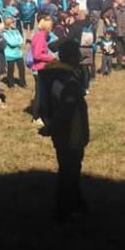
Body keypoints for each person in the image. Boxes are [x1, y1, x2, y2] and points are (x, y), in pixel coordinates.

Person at [37, 39, 90, 221]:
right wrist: (53, 126)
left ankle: (75, 202)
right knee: (70, 170)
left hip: (59, 131)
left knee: (67, 167)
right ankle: (65, 209)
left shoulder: (53, 74)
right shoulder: (69, 81)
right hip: (71, 132)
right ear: (72, 57)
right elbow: (67, 108)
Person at [2, 16, 26, 88]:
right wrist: (18, 42)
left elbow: (21, 40)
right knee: (11, 70)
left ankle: (23, 83)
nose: (14, 23)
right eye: (13, 22)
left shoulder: (16, 31)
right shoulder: (4, 33)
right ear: (9, 24)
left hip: (19, 54)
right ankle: (11, 84)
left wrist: (18, 42)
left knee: (22, 69)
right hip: (10, 55)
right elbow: (11, 43)